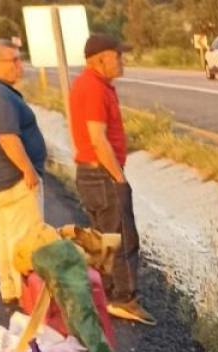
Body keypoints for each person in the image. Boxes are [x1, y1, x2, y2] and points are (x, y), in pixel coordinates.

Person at [69, 33, 156, 325]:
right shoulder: (94, 88)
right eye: (118, 56)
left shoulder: (89, 84)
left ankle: (105, 292)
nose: (122, 60)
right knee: (122, 238)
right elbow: (98, 138)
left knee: (101, 239)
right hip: (102, 173)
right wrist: (118, 177)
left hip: (88, 173)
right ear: (101, 59)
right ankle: (124, 299)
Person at [0, 41, 47, 306]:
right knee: (26, 239)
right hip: (14, 179)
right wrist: (28, 170)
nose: (19, 65)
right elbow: (7, 137)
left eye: (19, 59)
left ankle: (9, 288)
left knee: (3, 235)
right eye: (13, 60)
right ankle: (27, 296)